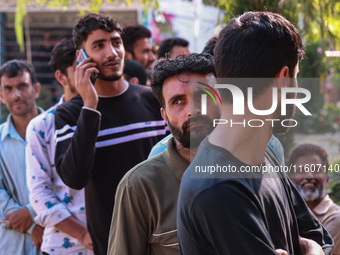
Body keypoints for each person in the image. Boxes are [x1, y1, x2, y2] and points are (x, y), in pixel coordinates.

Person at [177, 11, 333, 255]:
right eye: (296, 76)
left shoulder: (264, 154)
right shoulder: (218, 189)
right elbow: (316, 245)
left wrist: (309, 246)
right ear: (283, 79)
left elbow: (318, 237)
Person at [54, 13, 168, 255]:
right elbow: (75, 178)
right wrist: (89, 106)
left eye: (116, 42)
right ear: (81, 57)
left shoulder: (152, 98)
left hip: (167, 240)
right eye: (98, 45)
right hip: (114, 244)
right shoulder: (70, 113)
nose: (111, 53)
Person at [107, 53, 220, 255]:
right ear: (164, 117)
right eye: (177, 101)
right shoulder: (139, 187)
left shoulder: (255, 166)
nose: (192, 110)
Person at [26, 38, 94, 255]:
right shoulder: (42, 125)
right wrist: (83, 234)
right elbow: (40, 194)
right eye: (79, 68)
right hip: (63, 248)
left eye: (91, 66)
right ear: (60, 76)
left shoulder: (109, 116)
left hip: (114, 243)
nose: (89, 73)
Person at [0, 59, 43, 254]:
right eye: (8, 89)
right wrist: (31, 225)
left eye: (22, 86)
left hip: (57, 236)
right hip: (11, 242)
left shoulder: (58, 132)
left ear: (36, 89)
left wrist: (32, 213)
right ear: (1, 95)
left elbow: (66, 182)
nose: (16, 95)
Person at [289, 144, 340, 255]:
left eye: (316, 170)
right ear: (291, 181)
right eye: (301, 170)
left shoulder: (336, 220)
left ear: (326, 180)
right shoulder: (288, 213)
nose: (309, 176)